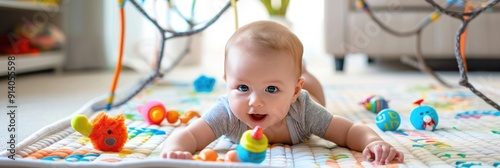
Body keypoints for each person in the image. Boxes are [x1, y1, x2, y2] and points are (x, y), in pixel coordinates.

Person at [161, 20, 404, 165]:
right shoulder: (226, 111)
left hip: (309, 92)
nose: (255, 102)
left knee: (310, 81)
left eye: (271, 89)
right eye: (242, 88)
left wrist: (374, 142)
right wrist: (175, 150)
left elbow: (349, 130)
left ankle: (302, 72)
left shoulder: (305, 110)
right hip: (293, 85)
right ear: (227, 84)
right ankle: (290, 74)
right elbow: (189, 135)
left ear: (294, 91)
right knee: (285, 72)